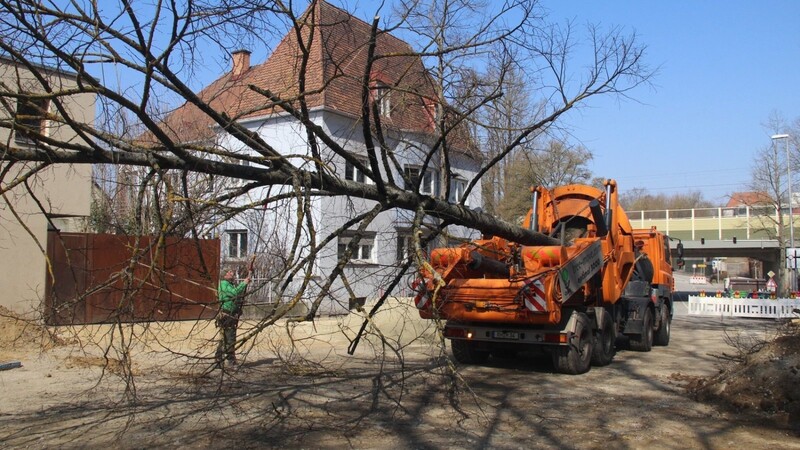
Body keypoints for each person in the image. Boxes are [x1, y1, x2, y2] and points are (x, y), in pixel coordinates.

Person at [215, 267, 250, 367]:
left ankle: (220, 360)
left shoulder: (230, 284)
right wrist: (244, 284)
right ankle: (229, 360)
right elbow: (233, 293)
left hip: (231, 313)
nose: (232, 273)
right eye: (230, 272)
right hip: (227, 315)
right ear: (225, 274)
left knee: (227, 337)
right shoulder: (224, 284)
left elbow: (235, 297)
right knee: (229, 338)